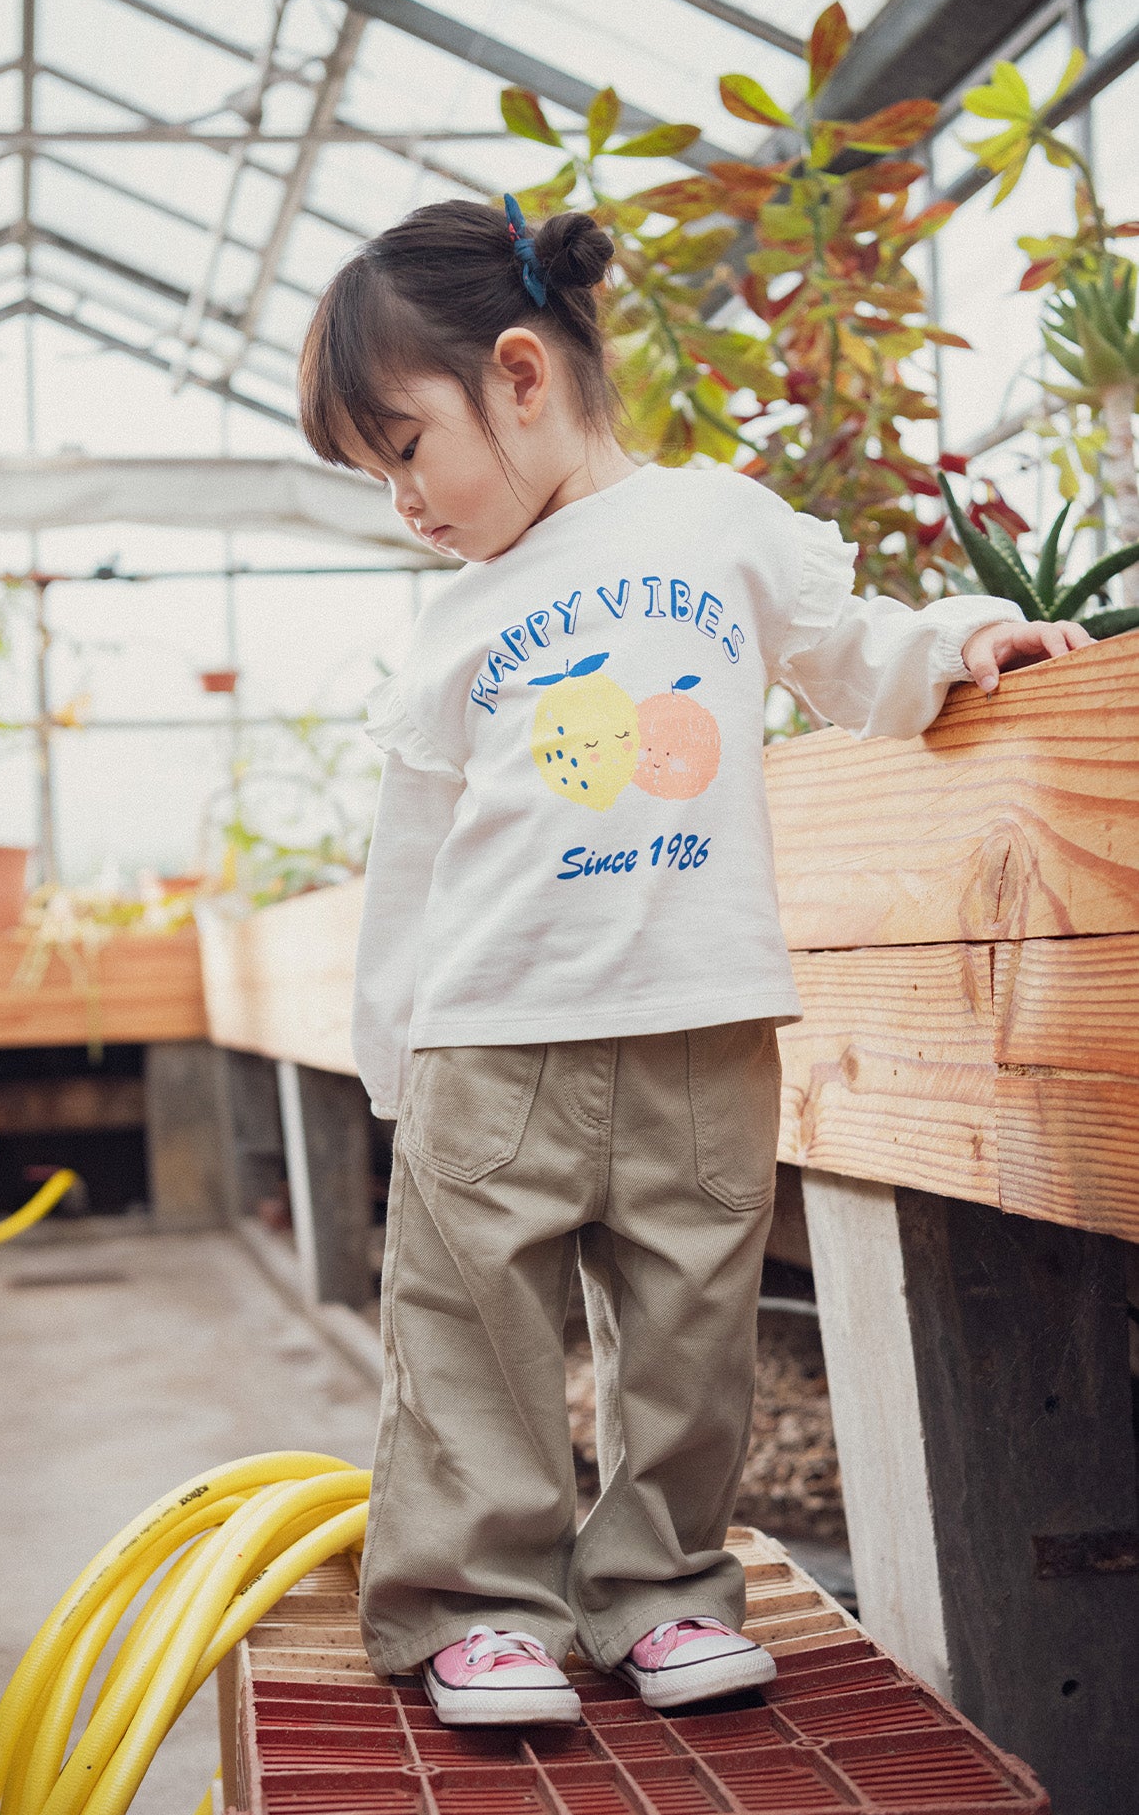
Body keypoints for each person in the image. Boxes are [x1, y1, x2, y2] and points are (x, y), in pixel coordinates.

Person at [296, 196, 1091, 1726]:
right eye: (376, 472)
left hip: (701, 1017)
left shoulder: (720, 525)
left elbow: (848, 650)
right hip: (493, 1032)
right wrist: (391, 1054)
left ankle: (659, 1595)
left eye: (403, 448)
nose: (402, 500)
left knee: (691, 1321)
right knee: (474, 1327)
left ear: (519, 376)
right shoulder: (457, 622)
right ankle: (478, 1610)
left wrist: (959, 644)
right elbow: (410, 857)